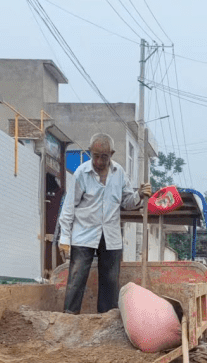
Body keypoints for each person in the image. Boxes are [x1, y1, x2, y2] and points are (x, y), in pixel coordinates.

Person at [57, 133, 151, 314]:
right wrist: (64, 238)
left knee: (110, 281)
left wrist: (139, 194)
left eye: (104, 156)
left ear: (112, 154)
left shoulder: (120, 173)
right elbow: (69, 208)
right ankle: (69, 317)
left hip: (111, 236)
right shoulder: (81, 174)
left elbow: (127, 202)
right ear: (91, 152)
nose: (99, 161)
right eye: (96, 156)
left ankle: (106, 319)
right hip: (83, 235)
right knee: (76, 279)